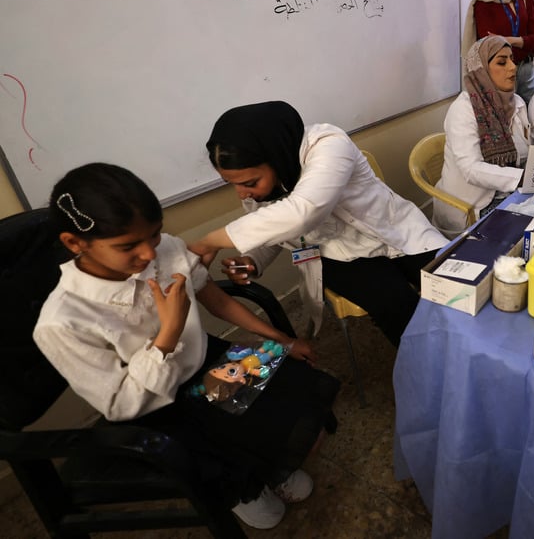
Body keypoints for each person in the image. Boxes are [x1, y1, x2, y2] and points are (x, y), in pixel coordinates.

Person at [33, 163, 340, 530]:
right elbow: (120, 405)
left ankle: (268, 467)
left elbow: (219, 302)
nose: (149, 255)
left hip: (205, 363)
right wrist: (169, 331)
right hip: (156, 406)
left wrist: (282, 341)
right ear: (74, 243)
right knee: (231, 462)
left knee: (298, 410)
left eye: (155, 235)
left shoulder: (165, 250)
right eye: (128, 246)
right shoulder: (62, 321)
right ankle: (245, 488)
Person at [188, 101, 447, 348]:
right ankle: (433, 370)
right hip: (337, 255)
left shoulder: (328, 144)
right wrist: (253, 259)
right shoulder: (261, 189)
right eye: (231, 183)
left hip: (396, 232)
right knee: (399, 308)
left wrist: (207, 241)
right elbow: (275, 230)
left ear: (277, 157)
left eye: (249, 183)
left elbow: (303, 213)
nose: (242, 194)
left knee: (454, 284)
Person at [434, 36, 531, 236]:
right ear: (481, 71)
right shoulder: (463, 110)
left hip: (509, 193)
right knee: (526, 233)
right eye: (502, 62)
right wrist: (521, 178)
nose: (513, 67)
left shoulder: (517, 103)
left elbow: (529, 149)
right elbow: (471, 169)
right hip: (471, 205)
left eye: (513, 59)